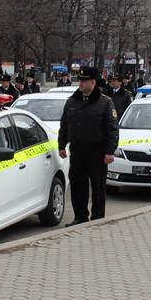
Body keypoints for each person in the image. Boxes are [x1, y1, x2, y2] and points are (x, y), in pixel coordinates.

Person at [57, 67, 119, 226]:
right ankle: (80, 217)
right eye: (80, 80)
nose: (81, 84)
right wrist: (61, 145)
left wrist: (109, 151)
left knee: (98, 186)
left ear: (93, 82)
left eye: (84, 81)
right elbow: (64, 124)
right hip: (77, 150)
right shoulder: (72, 101)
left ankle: (98, 218)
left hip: (97, 151)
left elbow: (112, 129)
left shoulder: (105, 102)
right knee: (78, 185)